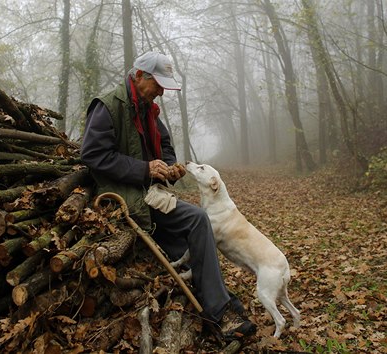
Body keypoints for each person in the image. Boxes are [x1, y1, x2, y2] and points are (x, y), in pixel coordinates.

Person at [80, 51, 256, 339]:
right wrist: (144, 168)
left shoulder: (147, 106)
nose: (161, 92)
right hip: (123, 198)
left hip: (150, 193)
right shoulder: (108, 106)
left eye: (164, 86)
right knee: (185, 240)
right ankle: (220, 310)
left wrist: (171, 167)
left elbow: (164, 144)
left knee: (197, 222)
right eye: (158, 84)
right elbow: (92, 154)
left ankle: (220, 308)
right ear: (139, 76)